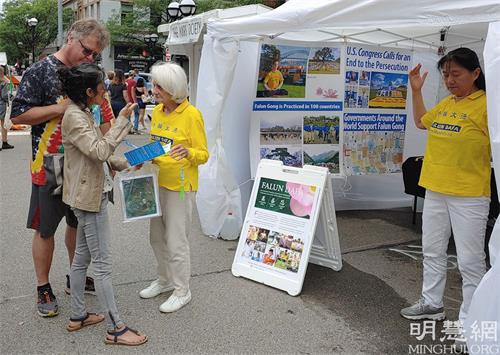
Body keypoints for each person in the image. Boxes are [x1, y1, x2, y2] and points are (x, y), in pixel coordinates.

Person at [10, 18, 110, 317]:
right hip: (49, 165)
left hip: (84, 166)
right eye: (87, 51)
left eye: (95, 55)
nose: (90, 58)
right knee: (45, 229)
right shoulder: (39, 71)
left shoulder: (90, 72)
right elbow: (20, 114)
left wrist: (107, 153)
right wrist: (60, 108)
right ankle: (43, 288)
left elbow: (103, 112)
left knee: (77, 226)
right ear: (71, 38)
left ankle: (74, 276)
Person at [400, 48, 490, 331]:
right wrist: (416, 91)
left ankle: (470, 322)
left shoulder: (488, 105)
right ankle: (432, 303)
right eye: (446, 74)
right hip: (436, 190)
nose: (450, 80)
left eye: (456, 74)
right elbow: (420, 121)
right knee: (433, 250)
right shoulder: (448, 103)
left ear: (475, 73)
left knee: (470, 262)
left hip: (470, 195)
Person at [58, 63, 146, 346]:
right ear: (88, 91)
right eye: (101, 87)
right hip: (88, 200)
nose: (105, 91)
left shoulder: (82, 112)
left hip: (87, 194)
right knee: (104, 266)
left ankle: (78, 315)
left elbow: (96, 156)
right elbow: (98, 151)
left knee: (82, 258)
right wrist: (121, 122)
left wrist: (128, 160)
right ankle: (116, 328)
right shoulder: (74, 116)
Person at [139, 62, 208, 313]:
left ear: (172, 88)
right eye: (154, 85)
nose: (153, 89)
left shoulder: (192, 115)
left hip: (180, 186)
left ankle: (182, 290)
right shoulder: (157, 111)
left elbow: (203, 154)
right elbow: (157, 145)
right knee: (156, 238)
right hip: (156, 181)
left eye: (158, 86)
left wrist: (189, 152)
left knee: (176, 240)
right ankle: (165, 280)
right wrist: (141, 158)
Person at [0, 66, 14, 150]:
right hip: (1, 105)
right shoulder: (3, 83)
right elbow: (5, 96)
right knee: (3, 125)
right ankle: (4, 142)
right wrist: (11, 97)